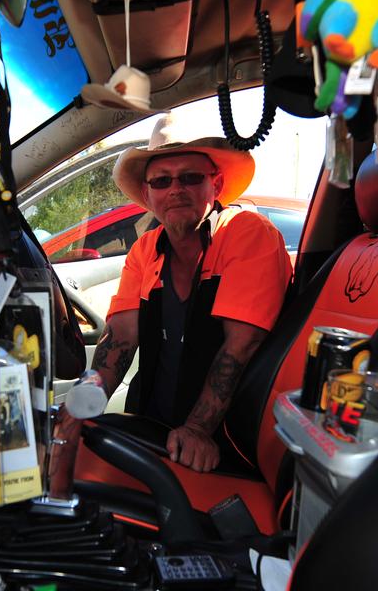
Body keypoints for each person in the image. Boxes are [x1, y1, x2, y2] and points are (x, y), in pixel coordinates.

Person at [53, 113, 293, 479]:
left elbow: (240, 347)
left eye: (191, 177)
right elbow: (117, 342)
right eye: (162, 181)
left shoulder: (248, 233)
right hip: (153, 431)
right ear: (148, 195)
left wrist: (197, 430)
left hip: (227, 444)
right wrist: (74, 413)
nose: (175, 189)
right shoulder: (145, 248)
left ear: (217, 184)